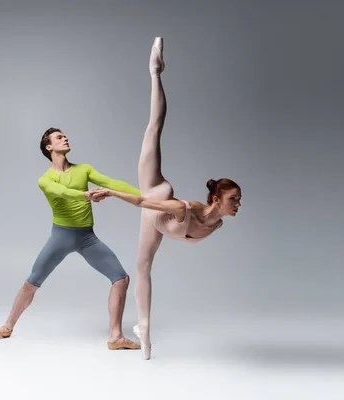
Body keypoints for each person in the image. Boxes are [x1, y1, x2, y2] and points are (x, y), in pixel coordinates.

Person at [91, 37, 243, 360]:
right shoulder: (183, 209)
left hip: (158, 223)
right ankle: (155, 72)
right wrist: (110, 192)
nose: (238, 205)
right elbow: (144, 204)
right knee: (153, 128)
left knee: (143, 265)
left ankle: (144, 335)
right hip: (154, 192)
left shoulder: (215, 224)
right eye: (233, 199)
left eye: (238, 200)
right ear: (216, 198)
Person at [0, 127, 141, 350]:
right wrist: (86, 195)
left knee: (121, 279)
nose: (65, 138)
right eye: (59, 137)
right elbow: (62, 192)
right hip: (61, 237)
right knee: (32, 283)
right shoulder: (45, 179)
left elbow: (111, 183)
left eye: (65, 136)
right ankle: (7, 326)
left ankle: (116, 337)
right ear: (49, 147)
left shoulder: (84, 169)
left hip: (88, 238)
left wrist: (145, 196)